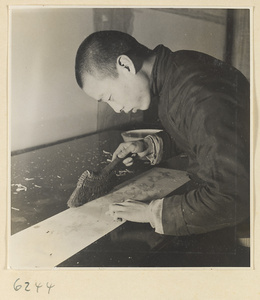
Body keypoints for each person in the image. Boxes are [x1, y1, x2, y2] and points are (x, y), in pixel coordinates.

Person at [75, 30, 250, 236]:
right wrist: (150, 146)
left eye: (110, 97)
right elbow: (199, 132)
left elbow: (230, 197)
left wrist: (151, 213)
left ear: (125, 65)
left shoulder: (199, 94)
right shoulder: (177, 70)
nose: (116, 109)